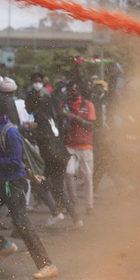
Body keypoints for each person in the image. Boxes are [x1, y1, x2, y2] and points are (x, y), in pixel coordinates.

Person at [0, 96, 58, 279]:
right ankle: (3, 246)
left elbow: (15, 163)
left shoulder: (10, 133)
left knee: (23, 225)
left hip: (14, 186)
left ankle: (47, 265)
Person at [25, 72, 79, 227]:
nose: (26, 106)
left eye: (28, 104)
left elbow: (45, 136)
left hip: (51, 155)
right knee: (59, 189)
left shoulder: (40, 117)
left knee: (39, 185)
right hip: (61, 154)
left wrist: (32, 132)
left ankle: (56, 212)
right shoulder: (51, 118)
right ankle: (76, 219)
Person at [63, 83, 96, 216]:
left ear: (79, 91)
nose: (72, 91)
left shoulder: (88, 105)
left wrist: (75, 118)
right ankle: (73, 199)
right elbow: (62, 122)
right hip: (69, 145)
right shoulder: (64, 106)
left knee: (88, 176)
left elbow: (92, 125)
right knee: (69, 172)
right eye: (70, 90)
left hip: (85, 145)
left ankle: (89, 205)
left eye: (74, 89)